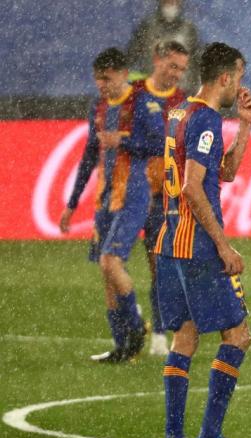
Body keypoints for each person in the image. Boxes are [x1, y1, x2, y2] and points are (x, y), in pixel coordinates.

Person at [155, 42, 251, 438]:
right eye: (240, 76)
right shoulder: (206, 120)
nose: (241, 85)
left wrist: (246, 126)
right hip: (198, 247)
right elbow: (193, 187)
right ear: (225, 78)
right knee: (238, 335)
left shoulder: (180, 111)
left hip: (169, 243)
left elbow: (225, 172)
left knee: (185, 338)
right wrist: (222, 245)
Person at [59, 47, 165, 363]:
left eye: (106, 78)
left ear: (123, 73)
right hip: (105, 198)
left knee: (110, 261)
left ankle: (136, 326)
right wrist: (72, 203)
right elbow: (90, 154)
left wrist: (124, 141)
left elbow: (161, 145)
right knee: (106, 274)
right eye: (98, 79)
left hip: (133, 194)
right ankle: (122, 348)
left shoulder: (143, 103)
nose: (101, 84)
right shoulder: (99, 107)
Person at [136, 40, 190, 356]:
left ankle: (158, 332)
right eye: (172, 66)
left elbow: (178, 144)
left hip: (163, 197)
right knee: (110, 264)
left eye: (182, 69)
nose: (177, 74)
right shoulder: (135, 96)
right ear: (156, 60)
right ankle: (131, 318)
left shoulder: (181, 101)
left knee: (160, 266)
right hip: (130, 192)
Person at [126, 0, 201, 92]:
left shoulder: (189, 30)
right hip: (150, 91)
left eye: (176, 0)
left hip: (180, 92)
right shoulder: (148, 27)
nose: (172, 2)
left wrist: (191, 91)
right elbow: (131, 57)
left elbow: (195, 66)